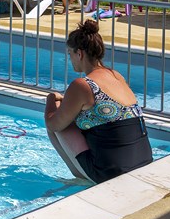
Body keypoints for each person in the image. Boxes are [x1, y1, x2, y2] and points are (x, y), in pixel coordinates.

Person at [43, 19, 153, 183]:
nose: (70, 59)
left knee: (57, 123)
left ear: (79, 54)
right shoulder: (116, 76)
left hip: (112, 173)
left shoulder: (82, 85)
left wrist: (51, 99)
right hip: (144, 162)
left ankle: (83, 179)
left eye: (70, 54)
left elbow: (54, 124)